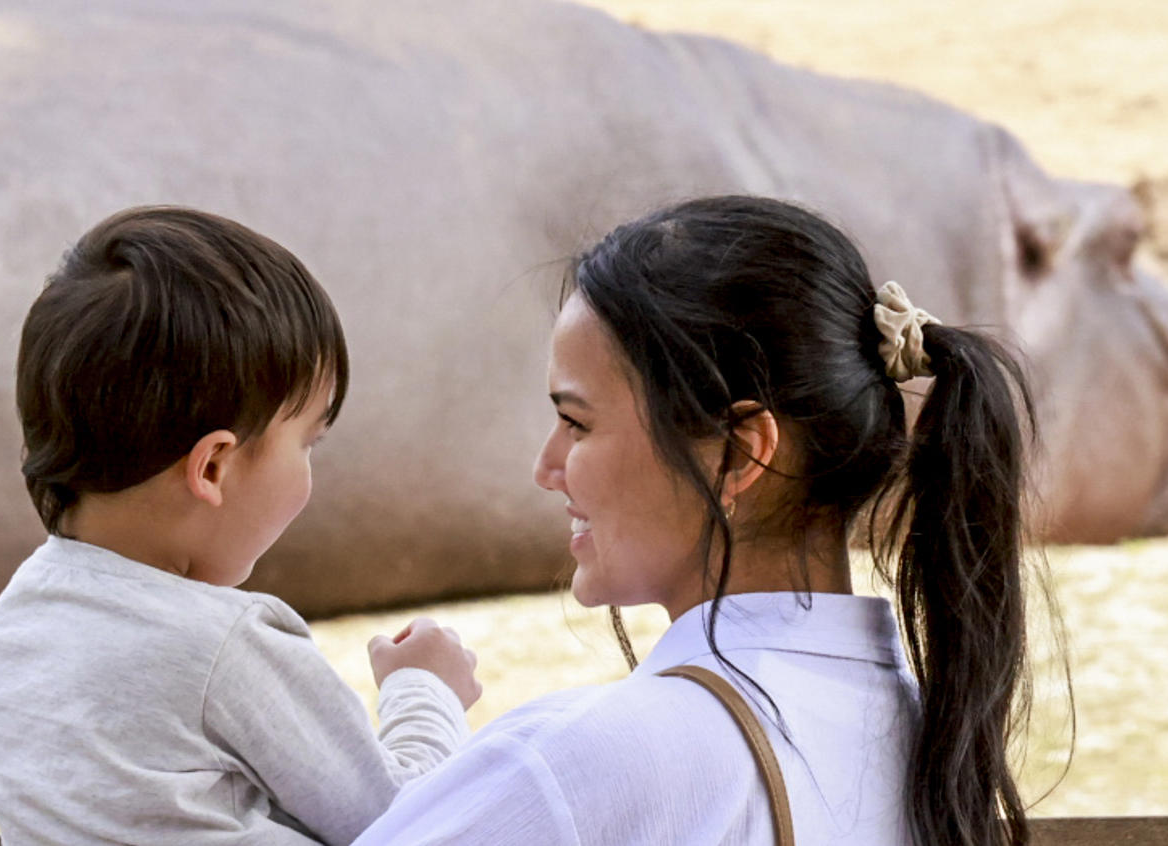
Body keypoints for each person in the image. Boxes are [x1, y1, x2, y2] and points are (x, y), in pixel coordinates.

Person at [356, 195, 1049, 846]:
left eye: (576, 422)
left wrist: (422, 703)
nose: (547, 465)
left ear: (739, 453)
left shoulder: (589, 762)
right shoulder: (923, 740)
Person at [0, 206, 482, 846]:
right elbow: (410, 819)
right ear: (212, 466)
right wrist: (424, 689)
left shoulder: (17, 624)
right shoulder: (220, 648)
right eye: (308, 442)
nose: (309, 471)